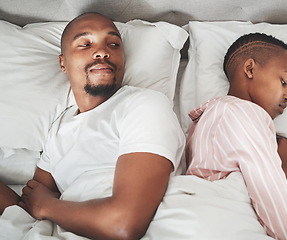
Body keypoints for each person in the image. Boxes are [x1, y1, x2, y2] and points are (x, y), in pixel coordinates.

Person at [0, 12, 185, 240]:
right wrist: (43, 205)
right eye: (85, 44)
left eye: (113, 44)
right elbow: (28, 206)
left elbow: (123, 224)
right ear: (63, 63)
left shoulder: (144, 104)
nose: (102, 51)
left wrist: (48, 205)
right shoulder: (61, 127)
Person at [185, 33, 287, 240]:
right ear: (250, 69)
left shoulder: (207, 118)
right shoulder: (242, 114)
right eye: (284, 81)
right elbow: (285, 227)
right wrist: (285, 166)